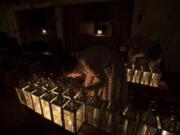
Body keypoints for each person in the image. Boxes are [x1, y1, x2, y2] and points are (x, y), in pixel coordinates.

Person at [64, 45, 128, 113]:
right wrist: (84, 87)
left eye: (72, 75)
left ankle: (110, 111)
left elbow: (103, 81)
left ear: (74, 68)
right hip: (102, 66)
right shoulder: (80, 60)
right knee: (91, 86)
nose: (74, 77)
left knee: (112, 92)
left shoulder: (88, 66)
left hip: (113, 65)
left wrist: (85, 88)